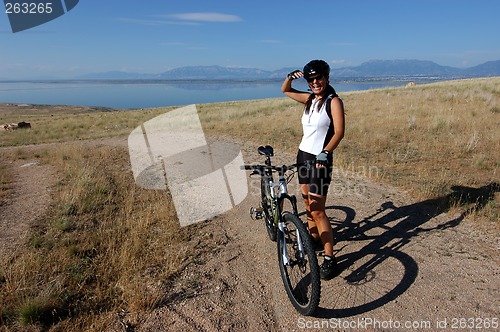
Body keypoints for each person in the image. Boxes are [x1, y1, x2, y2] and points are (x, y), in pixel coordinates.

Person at [281, 59, 345, 280]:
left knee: (318, 209)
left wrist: (326, 152)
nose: (316, 82)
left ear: (327, 78)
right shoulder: (309, 99)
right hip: (303, 156)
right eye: (311, 80)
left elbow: (339, 132)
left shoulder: (333, 101)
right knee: (307, 202)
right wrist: (290, 77)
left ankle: (330, 258)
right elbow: (285, 90)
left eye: (319, 78)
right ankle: (314, 240)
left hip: (320, 159)